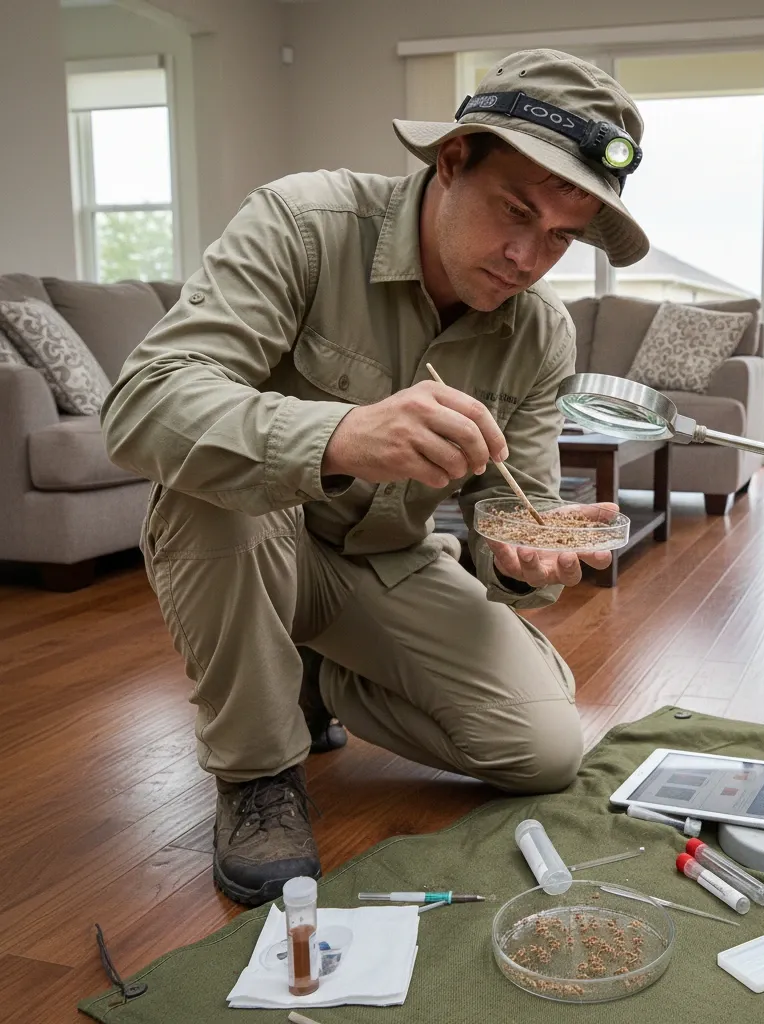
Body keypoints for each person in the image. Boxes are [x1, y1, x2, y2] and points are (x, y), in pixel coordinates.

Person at [101, 48, 650, 906]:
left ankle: (315, 680)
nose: (525, 256)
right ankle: (257, 773)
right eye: (515, 210)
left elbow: (522, 502)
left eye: (560, 237)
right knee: (221, 499)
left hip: (391, 561)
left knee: (545, 751)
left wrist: (518, 556)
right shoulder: (301, 222)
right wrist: (345, 434)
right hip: (255, 539)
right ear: (452, 158)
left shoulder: (541, 334)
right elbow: (144, 406)